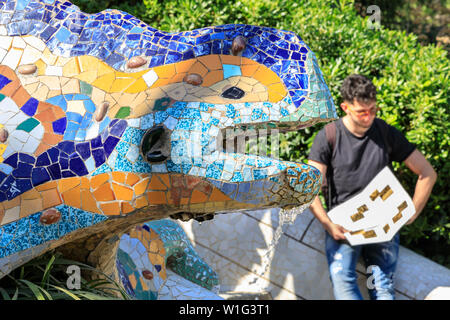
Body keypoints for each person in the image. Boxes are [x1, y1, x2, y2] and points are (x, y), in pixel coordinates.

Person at [308, 74, 437, 300]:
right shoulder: (328, 136)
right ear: (345, 107)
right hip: (344, 227)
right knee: (342, 280)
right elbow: (308, 188)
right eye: (362, 112)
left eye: (373, 110)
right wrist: (327, 224)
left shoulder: (386, 133)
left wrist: (412, 211)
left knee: (381, 286)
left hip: (384, 225)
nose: (368, 117)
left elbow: (427, 173)